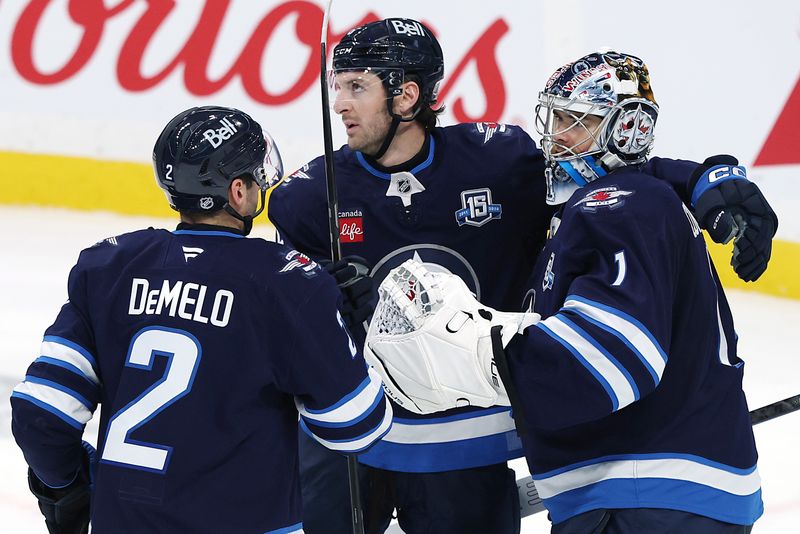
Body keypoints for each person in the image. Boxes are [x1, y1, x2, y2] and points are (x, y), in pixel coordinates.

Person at [268, 19, 776, 534]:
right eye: (338, 87)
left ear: (406, 95)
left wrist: (703, 177)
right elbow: (286, 322)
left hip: (465, 439)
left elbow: (615, 178)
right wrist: (321, 301)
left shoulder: (499, 161)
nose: (339, 104)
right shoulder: (308, 198)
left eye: (356, 87)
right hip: (352, 429)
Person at [10, 106, 392, 534]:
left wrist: (66, 485)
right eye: (255, 174)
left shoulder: (108, 268)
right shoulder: (287, 283)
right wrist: (346, 335)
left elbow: (40, 413)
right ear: (237, 192)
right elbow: (356, 427)